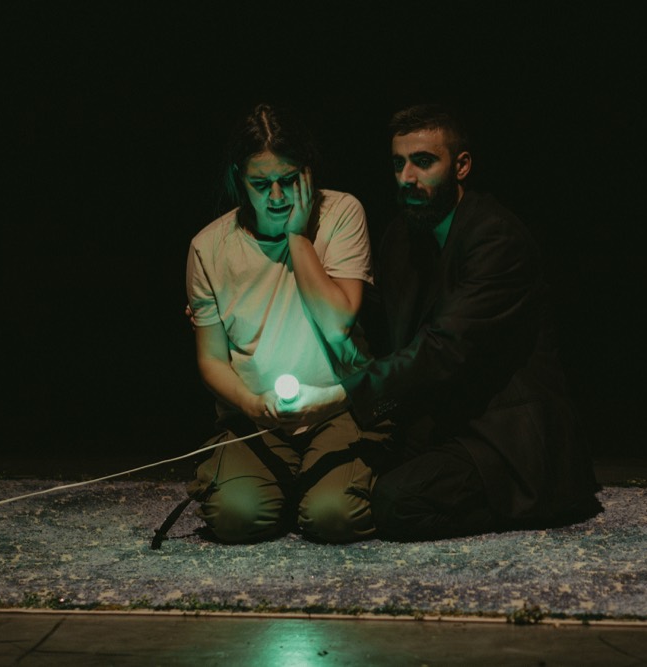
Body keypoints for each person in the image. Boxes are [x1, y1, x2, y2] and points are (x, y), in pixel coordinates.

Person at [278, 103, 604, 541]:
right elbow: (376, 323)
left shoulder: (496, 238)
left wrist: (338, 395)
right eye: (399, 163)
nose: (407, 177)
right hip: (440, 419)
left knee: (396, 503)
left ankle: (533, 504)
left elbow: (445, 348)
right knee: (337, 487)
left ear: (461, 165)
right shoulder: (402, 236)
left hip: (504, 431)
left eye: (423, 162)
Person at [181, 102, 385, 545]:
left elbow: (338, 322)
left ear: (307, 173)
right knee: (236, 518)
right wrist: (252, 405)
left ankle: (312, 487)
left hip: (337, 408)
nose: (276, 197)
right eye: (261, 184)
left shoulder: (341, 214)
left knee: (334, 517)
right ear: (240, 180)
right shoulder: (208, 247)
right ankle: (280, 486)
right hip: (258, 419)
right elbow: (212, 359)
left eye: (289, 180)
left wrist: (297, 237)